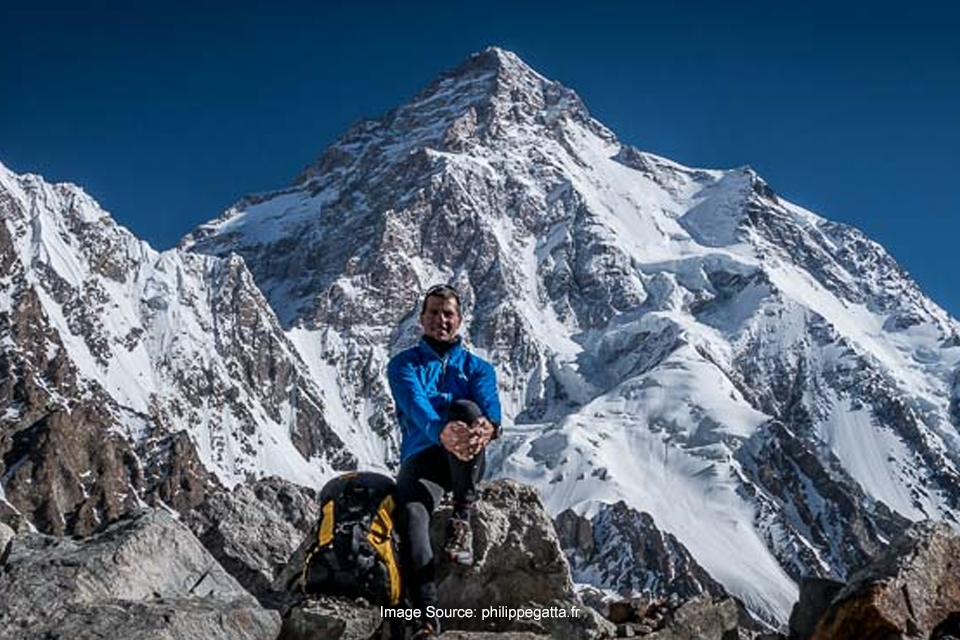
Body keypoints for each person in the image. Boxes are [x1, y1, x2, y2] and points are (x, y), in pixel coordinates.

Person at [387, 284, 501, 638]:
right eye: (433, 312)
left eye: (447, 313)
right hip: (424, 458)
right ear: (421, 319)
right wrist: (440, 432)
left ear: (460, 320)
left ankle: (461, 519)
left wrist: (488, 426)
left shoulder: (478, 368)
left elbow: (489, 404)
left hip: (466, 460)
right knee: (411, 515)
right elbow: (415, 405)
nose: (441, 319)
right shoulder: (404, 365)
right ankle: (426, 619)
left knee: (467, 409)